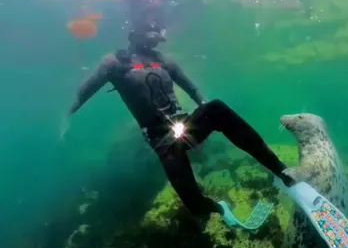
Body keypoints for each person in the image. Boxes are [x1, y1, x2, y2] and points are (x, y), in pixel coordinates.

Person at [64, 23, 293, 218]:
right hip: (160, 140)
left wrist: (203, 108)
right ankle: (219, 209)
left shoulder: (164, 60)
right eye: (150, 31)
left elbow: (192, 89)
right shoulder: (115, 62)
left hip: (184, 125)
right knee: (195, 206)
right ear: (134, 33)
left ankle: (281, 171)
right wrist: (63, 121)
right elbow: (82, 93)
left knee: (216, 108)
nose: (154, 39)